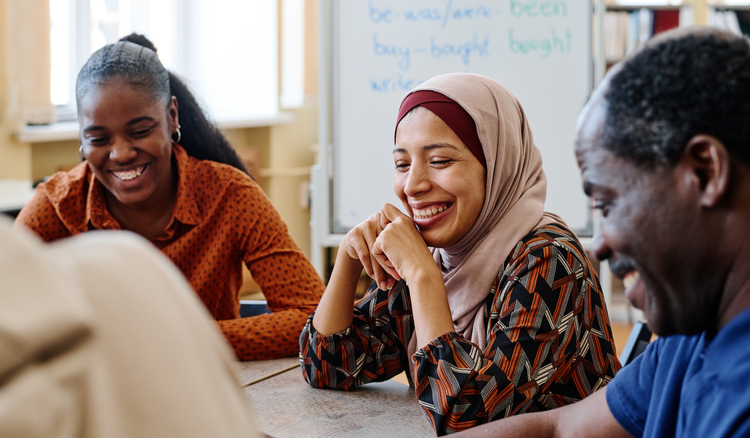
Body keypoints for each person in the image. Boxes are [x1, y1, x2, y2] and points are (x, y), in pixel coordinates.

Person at [451, 27, 750, 438]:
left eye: (608, 204)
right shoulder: (689, 339)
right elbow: (559, 428)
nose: (601, 243)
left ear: (704, 173)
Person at [299, 73, 620, 435]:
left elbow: (466, 418)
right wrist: (347, 258)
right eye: (402, 165)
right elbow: (327, 366)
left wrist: (423, 278)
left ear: (497, 163)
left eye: (439, 161)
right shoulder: (441, 253)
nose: (413, 186)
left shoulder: (548, 258)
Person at [14, 34, 325, 360]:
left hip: (204, 394)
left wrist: (183, 339)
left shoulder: (231, 196)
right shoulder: (56, 207)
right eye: (98, 138)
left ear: (171, 117)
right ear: (81, 137)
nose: (120, 153)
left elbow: (314, 318)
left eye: (139, 131)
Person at [0, 216, 261, 437]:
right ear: (83, 153)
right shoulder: (126, 254)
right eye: (99, 149)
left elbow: (300, 308)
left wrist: (192, 333)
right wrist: (184, 333)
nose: (121, 154)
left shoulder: (231, 194)